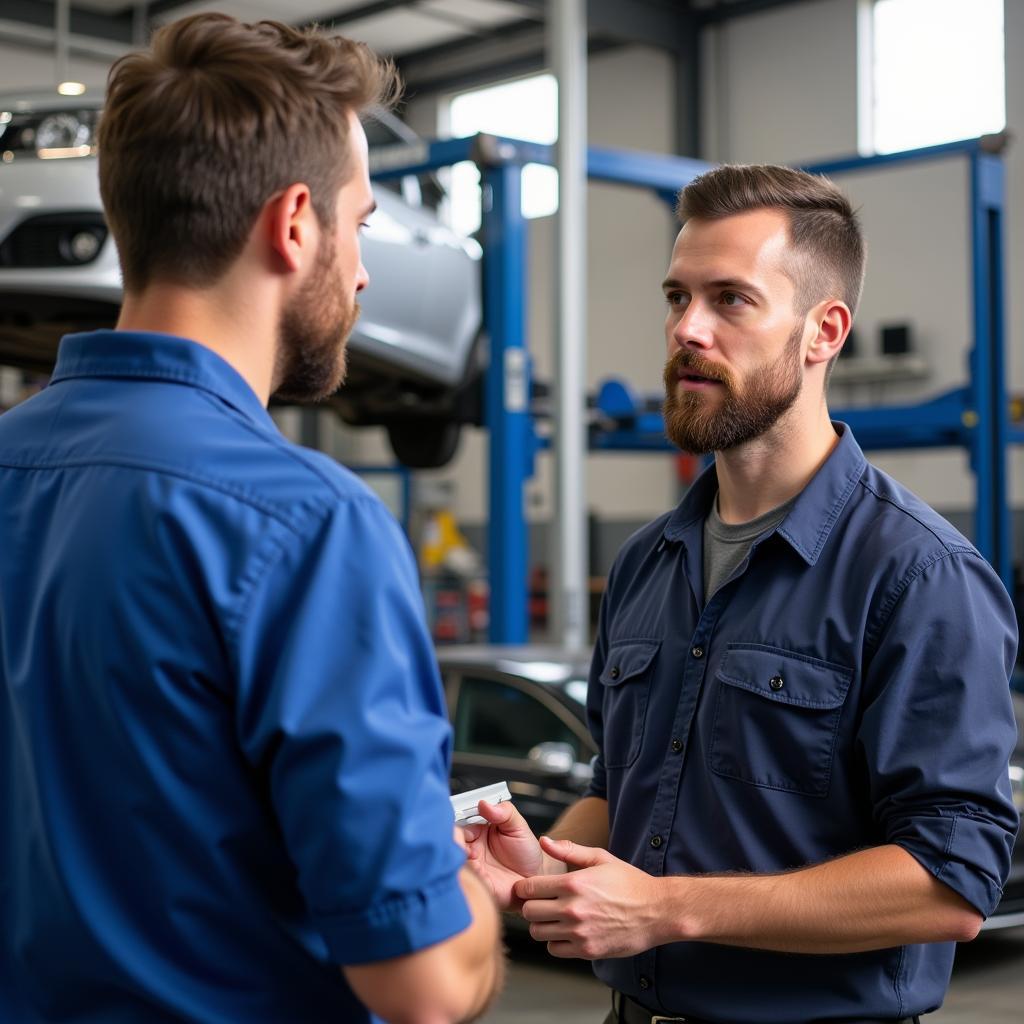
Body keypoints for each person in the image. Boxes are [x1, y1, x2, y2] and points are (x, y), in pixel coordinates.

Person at [0, 14, 502, 1024]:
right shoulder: (308, 525)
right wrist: (476, 903)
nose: (363, 273)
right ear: (294, 224)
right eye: (359, 224)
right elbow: (423, 984)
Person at [463, 164, 1020, 1024]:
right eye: (677, 296)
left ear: (822, 331)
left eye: (731, 300)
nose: (687, 329)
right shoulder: (650, 562)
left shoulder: (918, 576)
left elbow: (951, 881)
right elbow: (625, 794)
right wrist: (538, 865)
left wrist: (664, 908)